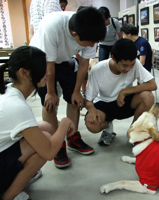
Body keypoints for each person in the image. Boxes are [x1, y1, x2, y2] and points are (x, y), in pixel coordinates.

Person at [30, 6, 106, 169]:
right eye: (90, 42)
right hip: (41, 60)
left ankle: (72, 137)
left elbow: (84, 63)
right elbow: (49, 65)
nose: (93, 45)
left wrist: (77, 91)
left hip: (65, 59)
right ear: (74, 34)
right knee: (49, 103)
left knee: (74, 100)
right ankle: (55, 143)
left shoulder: (89, 31)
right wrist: (50, 92)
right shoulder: (52, 25)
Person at [0, 46, 75, 200]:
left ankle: (20, 175)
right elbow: (49, 152)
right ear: (24, 73)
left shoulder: (9, 90)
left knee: (46, 128)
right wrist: (65, 122)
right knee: (46, 142)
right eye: (43, 68)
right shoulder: (16, 106)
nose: (48, 72)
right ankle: (10, 194)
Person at [85, 38, 157, 146]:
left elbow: (152, 85)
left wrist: (124, 91)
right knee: (92, 124)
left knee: (148, 97)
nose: (128, 68)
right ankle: (108, 126)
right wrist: (90, 109)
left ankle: (133, 131)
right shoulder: (98, 70)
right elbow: (88, 100)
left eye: (131, 64)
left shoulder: (135, 64)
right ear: (114, 58)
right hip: (104, 104)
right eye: (124, 65)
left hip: (123, 102)